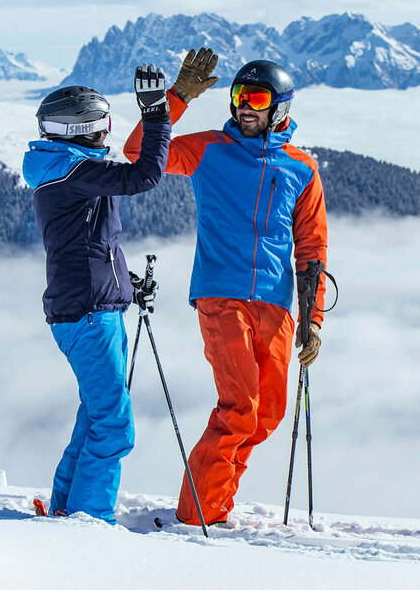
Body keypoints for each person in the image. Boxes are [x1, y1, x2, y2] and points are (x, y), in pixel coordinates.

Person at [124, 49, 328, 526]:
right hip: (221, 295)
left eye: (255, 97)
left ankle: (215, 500)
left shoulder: (302, 169)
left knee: (267, 413)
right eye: (238, 95)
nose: (243, 105)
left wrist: (312, 319)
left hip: (276, 305)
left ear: (280, 107)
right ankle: (200, 517)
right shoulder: (210, 149)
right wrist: (174, 100)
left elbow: (312, 250)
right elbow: (138, 153)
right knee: (239, 407)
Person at [22, 64, 170, 523]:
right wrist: (156, 115)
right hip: (88, 314)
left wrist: (124, 283)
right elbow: (144, 176)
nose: (107, 132)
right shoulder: (74, 172)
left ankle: (67, 508)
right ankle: (89, 523)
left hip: (86, 308)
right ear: (83, 128)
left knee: (95, 417)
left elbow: (94, 245)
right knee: (114, 428)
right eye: (104, 125)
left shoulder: (63, 170)